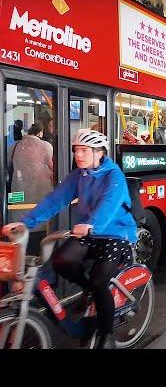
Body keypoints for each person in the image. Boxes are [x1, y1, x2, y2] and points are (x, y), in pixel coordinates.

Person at [2, 129, 137, 349]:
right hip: (89, 233)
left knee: (99, 281)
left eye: (84, 150)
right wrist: (26, 222)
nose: (79, 155)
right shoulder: (79, 176)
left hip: (116, 234)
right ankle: (90, 291)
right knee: (60, 261)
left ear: (99, 152)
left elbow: (109, 205)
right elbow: (55, 200)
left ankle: (106, 334)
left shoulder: (114, 175)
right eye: (76, 150)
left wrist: (92, 224)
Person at [7, 122, 55, 244]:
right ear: (40, 132)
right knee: (40, 220)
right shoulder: (45, 146)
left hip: (18, 191)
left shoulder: (14, 146)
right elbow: (53, 167)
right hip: (41, 191)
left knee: (20, 217)